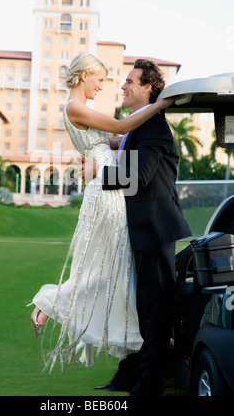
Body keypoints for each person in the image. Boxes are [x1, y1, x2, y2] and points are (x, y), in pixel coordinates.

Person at [27, 53, 175, 372]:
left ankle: (142, 338)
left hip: (109, 187)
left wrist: (123, 140)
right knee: (107, 269)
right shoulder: (74, 106)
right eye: (100, 79)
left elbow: (116, 137)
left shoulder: (84, 110)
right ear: (84, 76)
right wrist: (161, 105)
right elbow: (121, 125)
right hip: (107, 192)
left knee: (114, 269)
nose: (104, 86)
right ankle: (51, 305)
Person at [81, 59, 192, 396]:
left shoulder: (155, 128)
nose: (123, 86)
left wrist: (96, 173)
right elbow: (123, 150)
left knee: (154, 311)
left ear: (148, 88)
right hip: (138, 228)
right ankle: (130, 376)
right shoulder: (136, 129)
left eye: (130, 81)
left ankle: (149, 385)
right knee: (138, 305)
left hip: (154, 228)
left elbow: (137, 177)